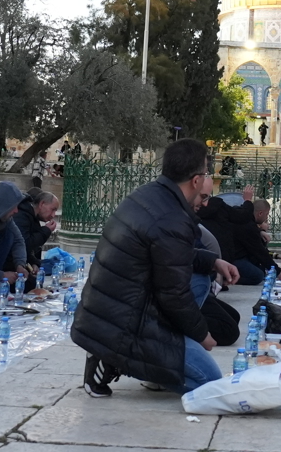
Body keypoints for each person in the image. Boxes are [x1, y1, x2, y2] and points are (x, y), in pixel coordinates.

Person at [72, 139, 224, 398]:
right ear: (196, 180)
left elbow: (171, 256)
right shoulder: (172, 218)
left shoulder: (151, 195)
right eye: (206, 173)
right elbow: (173, 295)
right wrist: (201, 335)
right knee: (210, 382)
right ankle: (115, 357)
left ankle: (149, 359)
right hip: (124, 323)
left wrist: (213, 261)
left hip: (115, 307)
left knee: (200, 280)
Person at [13, 190, 59, 265]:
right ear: (42, 204)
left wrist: (34, 263)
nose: (53, 215)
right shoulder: (22, 215)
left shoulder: (32, 216)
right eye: (52, 210)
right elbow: (24, 244)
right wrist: (46, 230)